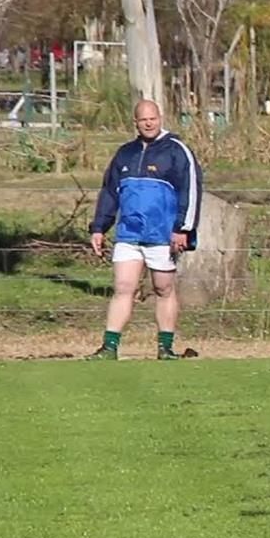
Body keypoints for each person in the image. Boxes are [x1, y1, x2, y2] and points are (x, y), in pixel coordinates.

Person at [87, 99, 203, 360]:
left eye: (153, 118)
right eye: (143, 119)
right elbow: (109, 192)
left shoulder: (176, 150)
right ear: (135, 123)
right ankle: (109, 347)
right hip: (129, 234)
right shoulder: (124, 153)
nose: (149, 123)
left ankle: (165, 347)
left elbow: (191, 191)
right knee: (123, 287)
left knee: (163, 289)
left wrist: (183, 228)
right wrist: (99, 227)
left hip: (162, 235)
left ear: (160, 118)